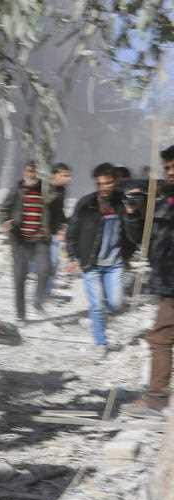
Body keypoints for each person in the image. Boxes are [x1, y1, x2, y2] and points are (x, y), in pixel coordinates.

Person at [66, 163, 137, 356]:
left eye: (108, 183)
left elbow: (134, 235)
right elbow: (72, 231)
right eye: (100, 183)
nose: (104, 187)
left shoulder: (124, 203)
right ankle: (100, 342)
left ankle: (103, 314)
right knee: (96, 305)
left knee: (115, 304)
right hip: (91, 264)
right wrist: (72, 257)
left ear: (115, 182)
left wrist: (132, 215)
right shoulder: (86, 203)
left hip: (114, 264)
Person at [123, 145, 174, 416]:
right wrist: (133, 212)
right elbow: (142, 240)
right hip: (168, 282)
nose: (171, 172)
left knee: (161, 337)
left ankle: (156, 398)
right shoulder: (164, 203)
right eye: (167, 168)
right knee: (161, 337)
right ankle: (156, 397)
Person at [0, 160, 65, 320]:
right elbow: (3, 210)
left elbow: (57, 211)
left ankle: (37, 300)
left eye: (34, 172)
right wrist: (5, 221)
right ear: (24, 172)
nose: (31, 174)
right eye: (29, 171)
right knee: (20, 276)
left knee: (45, 269)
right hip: (20, 240)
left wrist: (62, 226)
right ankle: (21, 315)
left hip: (40, 239)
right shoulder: (17, 189)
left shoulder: (45, 191)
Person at [47, 163, 72, 296]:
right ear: (54, 175)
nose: (69, 179)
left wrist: (65, 223)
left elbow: (59, 210)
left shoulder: (62, 190)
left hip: (54, 232)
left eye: (69, 176)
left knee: (54, 262)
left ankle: (46, 292)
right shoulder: (44, 187)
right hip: (39, 232)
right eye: (65, 175)